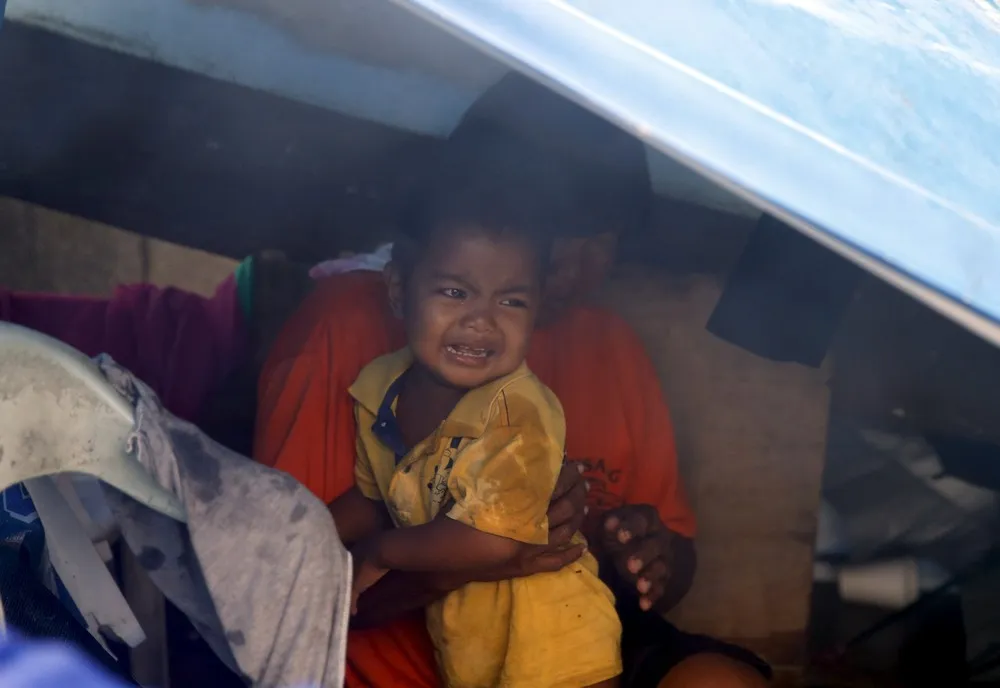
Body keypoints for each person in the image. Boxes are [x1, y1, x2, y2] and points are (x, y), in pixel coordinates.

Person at [256, 73, 771, 688]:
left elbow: (674, 562)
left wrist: (649, 557)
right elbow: (283, 582)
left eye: (599, 243)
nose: (573, 270)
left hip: (572, 652)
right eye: (556, 240)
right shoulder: (347, 331)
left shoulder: (607, 348)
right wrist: (444, 559)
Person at [332, 138, 622, 687]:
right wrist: (305, 540)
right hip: (475, 651)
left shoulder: (519, 410)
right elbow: (376, 496)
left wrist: (378, 553)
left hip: (560, 651)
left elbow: (492, 540)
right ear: (399, 290)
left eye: (512, 301)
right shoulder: (380, 387)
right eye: (454, 292)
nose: (482, 321)